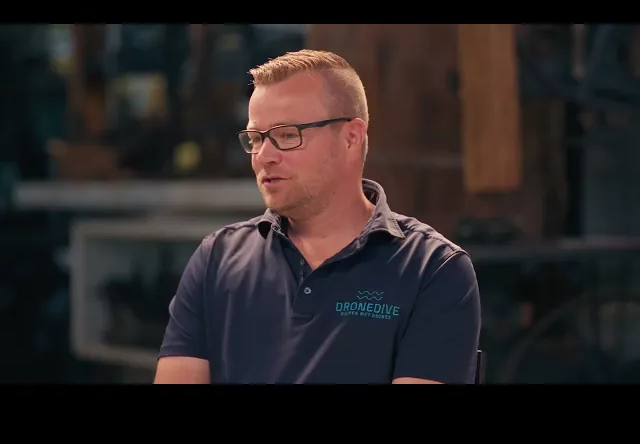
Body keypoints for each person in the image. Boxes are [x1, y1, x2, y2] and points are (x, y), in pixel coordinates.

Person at [154, 49, 481, 384]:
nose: (264, 156)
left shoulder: (433, 269)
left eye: (286, 135)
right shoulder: (217, 260)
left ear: (351, 138)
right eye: (255, 139)